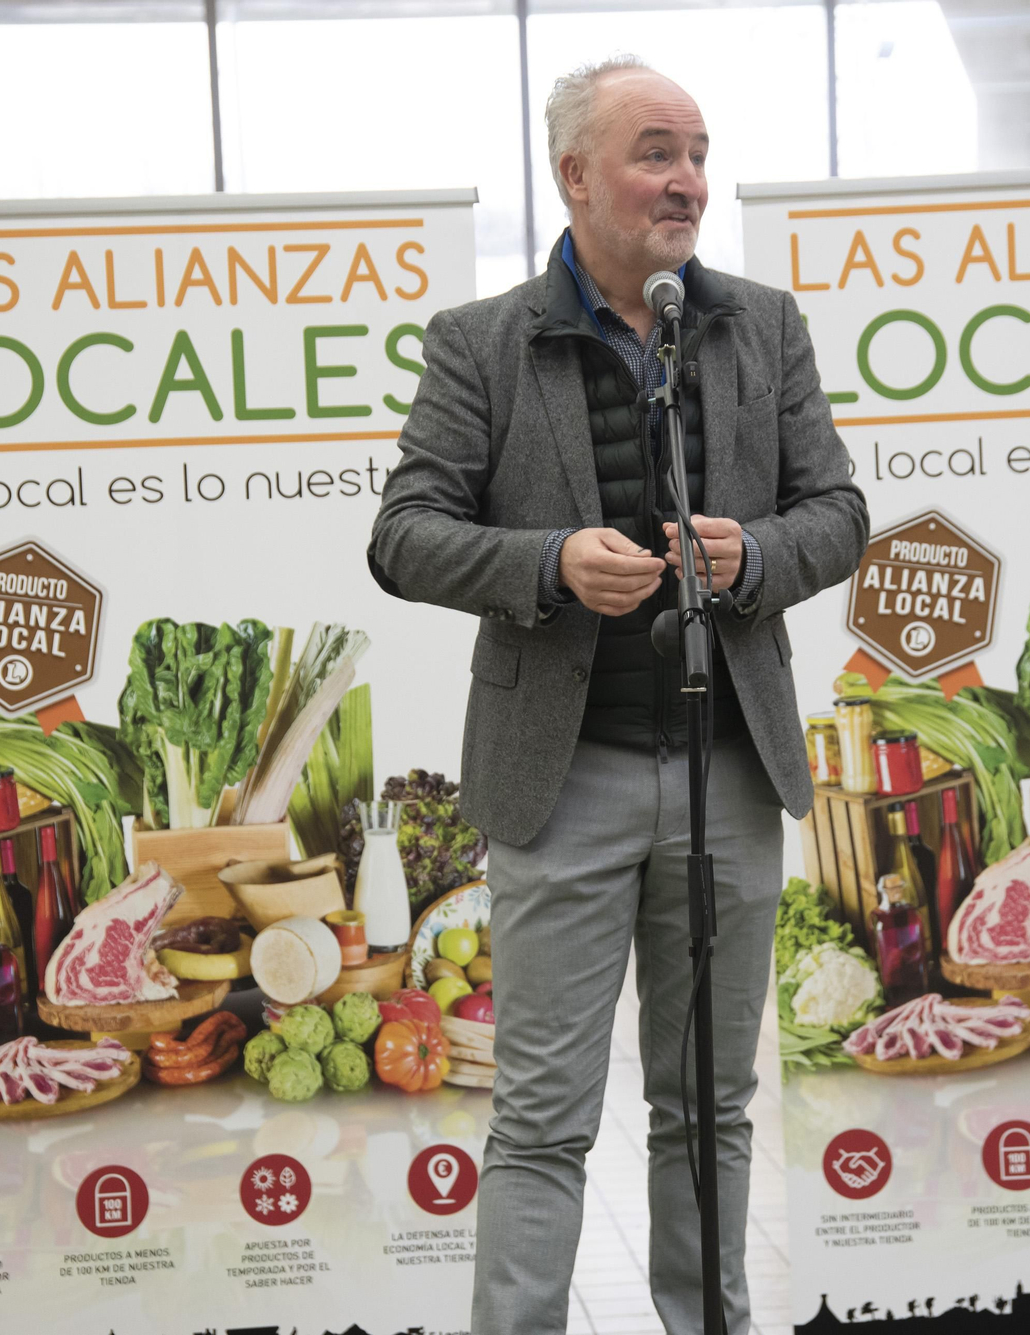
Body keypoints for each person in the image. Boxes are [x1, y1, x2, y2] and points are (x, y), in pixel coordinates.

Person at [368, 55, 867, 1335]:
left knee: (707, 1111)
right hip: (563, 776)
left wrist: (753, 555)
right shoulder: (479, 344)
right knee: (541, 1119)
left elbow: (839, 515)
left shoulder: (760, 324)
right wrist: (543, 565)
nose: (686, 180)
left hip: (728, 771)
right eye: (656, 152)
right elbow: (405, 535)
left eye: (697, 153)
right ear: (574, 174)